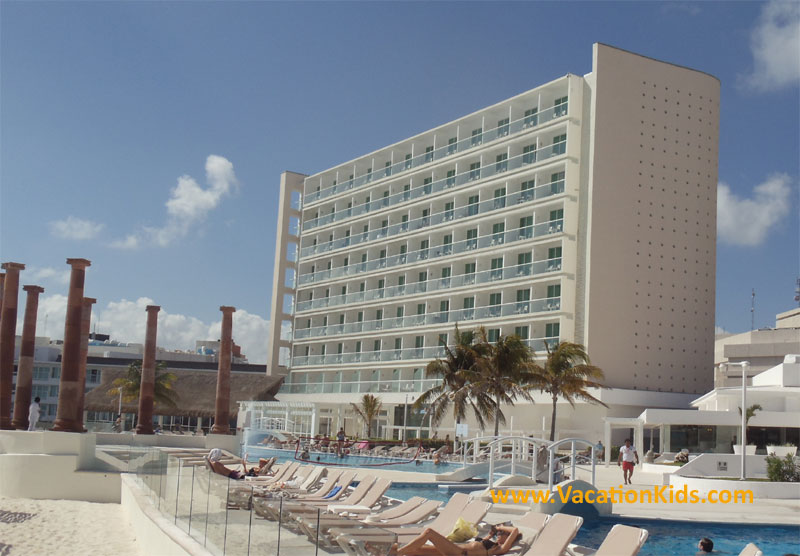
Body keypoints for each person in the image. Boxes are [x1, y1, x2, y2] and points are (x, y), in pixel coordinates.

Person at [396, 524, 519, 555]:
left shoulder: (499, 549)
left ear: (507, 537)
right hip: (454, 550)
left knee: (429, 532)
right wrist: (492, 533)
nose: (499, 534)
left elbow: (515, 530)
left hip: (460, 553)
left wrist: (500, 527)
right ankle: (388, 550)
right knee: (415, 551)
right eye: (498, 533)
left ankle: (398, 553)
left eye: (502, 533)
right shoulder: (491, 542)